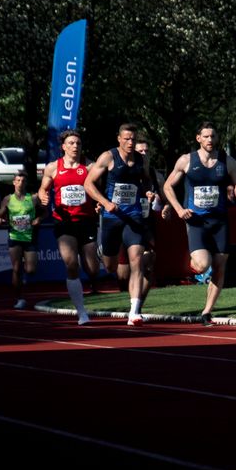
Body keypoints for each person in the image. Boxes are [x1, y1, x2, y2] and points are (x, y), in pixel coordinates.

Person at [161, 121, 236, 324]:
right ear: (198, 138)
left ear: (217, 138)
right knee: (202, 265)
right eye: (206, 136)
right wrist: (179, 209)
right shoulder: (186, 160)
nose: (210, 140)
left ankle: (207, 311)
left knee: (219, 266)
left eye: (213, 136)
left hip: (219, 221)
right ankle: (194, 264)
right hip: (196, 220)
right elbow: (167, 186)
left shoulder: (228, 162)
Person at [88, 123, 156, 326]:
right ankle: (104, 251)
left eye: (133, 139)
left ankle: (134, 312)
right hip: (112, 217)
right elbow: (88, 184)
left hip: (134, 216)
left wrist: (148, 191)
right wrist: (105, 202)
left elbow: (146, 180)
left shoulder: (141, 159)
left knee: (137, 260)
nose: (130, 142)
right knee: (110, 267)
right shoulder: (108, 157)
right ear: (119, 139)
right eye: (126, 139)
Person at [37, 129, 104, 324]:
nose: (75, 146)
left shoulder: (90, 166)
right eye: (72, 143)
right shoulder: (53, 167)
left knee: (93, 270)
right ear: (63, 147)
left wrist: (99, 203)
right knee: (71, 264)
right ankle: (81, 312)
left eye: (78, 143)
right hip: (64, 222)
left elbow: (98, 189)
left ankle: (92, 256)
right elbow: (43, 189)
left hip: (87, 221)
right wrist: (43, 196)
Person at [0, 169, 39, 310]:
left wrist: (38, 219)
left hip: (29, 237)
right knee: (16, 269)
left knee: (30, 270)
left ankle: (23, 276)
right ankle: (19, 298)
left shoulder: (33, 198)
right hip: (14, 237)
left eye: (23, 181)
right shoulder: (8, 199)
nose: (20, 183)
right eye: (18, 180)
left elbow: (45, 213)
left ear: (26, 183)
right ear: (14, 182)